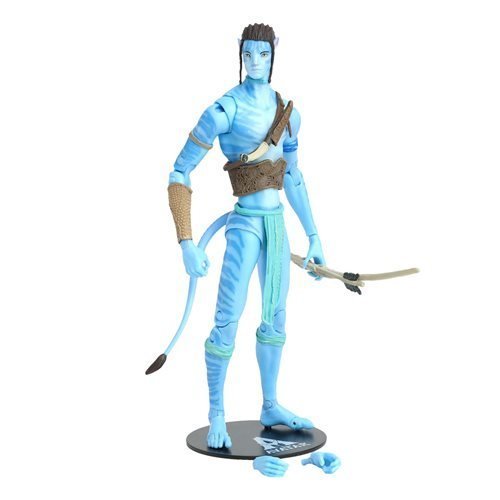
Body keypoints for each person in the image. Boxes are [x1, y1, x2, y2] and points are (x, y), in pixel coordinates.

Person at [167, 23, 326, 449]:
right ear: (240, 52)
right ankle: (216, 413)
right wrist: (186, 241)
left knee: (276, 317)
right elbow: (179, 172)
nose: (255, 62)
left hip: (277, 225)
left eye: (264, 54)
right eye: (249, 53)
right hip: (244, 226)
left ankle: (270, 405)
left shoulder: (288, 115)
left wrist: (314, 236)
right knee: (227, 319)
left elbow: (293, 176)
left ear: (275, 53)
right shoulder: (224, 111)